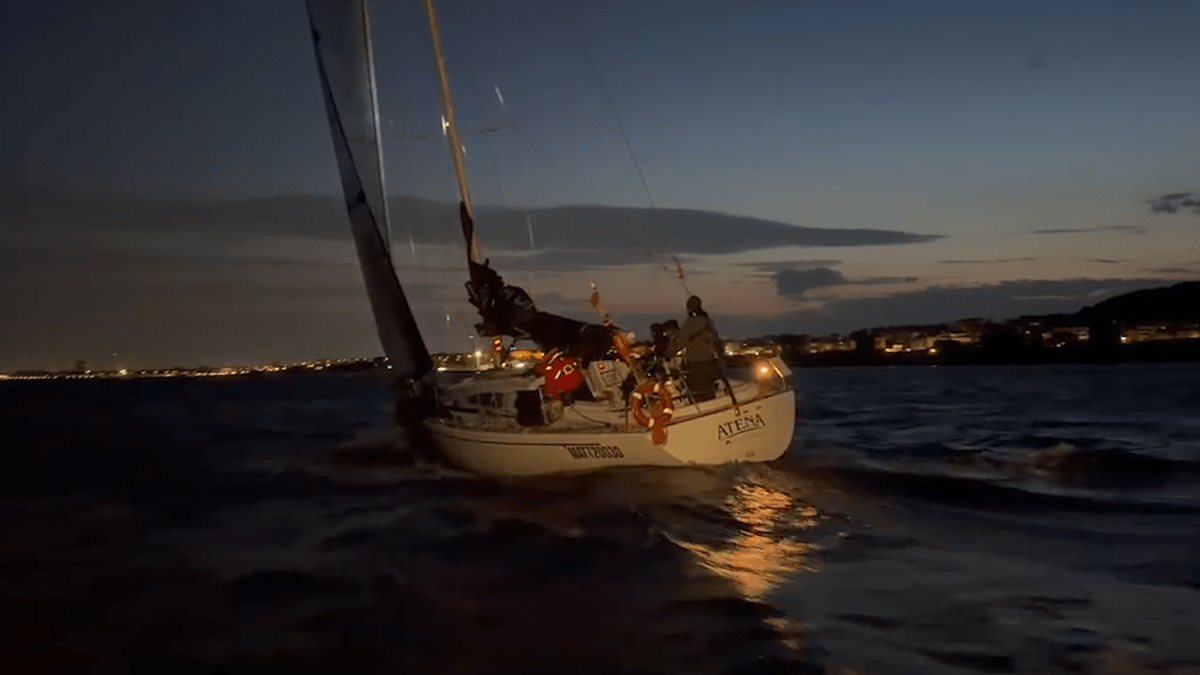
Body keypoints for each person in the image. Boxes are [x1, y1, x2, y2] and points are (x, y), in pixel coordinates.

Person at [667, 296, 723, 401]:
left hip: (694, 362)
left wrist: (668, 353)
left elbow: (680, 342)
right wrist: (720, 355)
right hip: (708, 360)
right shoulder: (707, 321)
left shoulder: (689, 324)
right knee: (708, 388)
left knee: (696, 390)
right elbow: (716, 340)